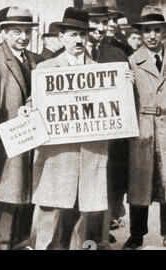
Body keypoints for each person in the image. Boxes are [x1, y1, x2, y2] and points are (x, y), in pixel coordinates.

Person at [30, 7, 109, 250]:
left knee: (84, 212)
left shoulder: (101, 71)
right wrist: (28, 109)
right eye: (72, 34)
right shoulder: (45, 69)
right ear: (61, 37)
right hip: (58, 152)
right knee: (50, 210)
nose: (78, 40)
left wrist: (124, 88)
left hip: (89, 152)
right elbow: (35, 102)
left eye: (83, 35)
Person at [0, 6, 44, 250]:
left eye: (26, 31)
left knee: (27, 190)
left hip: (30, 135)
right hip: (5, 137)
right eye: (16, 31)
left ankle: (20, 240)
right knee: (6, 192)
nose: (23, 36)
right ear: (4, 33)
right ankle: (2, 242)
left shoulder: (35, 60)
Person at [85, 4, 130, 248]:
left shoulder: (118, 55)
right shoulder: (67, 54)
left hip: (109, 140)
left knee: (105, 189)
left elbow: (128, 99)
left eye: (105, 22)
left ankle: (99, 239)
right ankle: (78, 238)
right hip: (78, 139)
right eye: (95, 22)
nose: (101, 28)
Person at [123, 5, 166, 250]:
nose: (152, 35)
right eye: (147, 30)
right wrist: (124, 82)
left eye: (156, 30)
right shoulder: (131, 61)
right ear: (141, 33)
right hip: (142, 128)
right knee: (139, 183)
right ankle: (136, 234)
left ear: (163, 33)